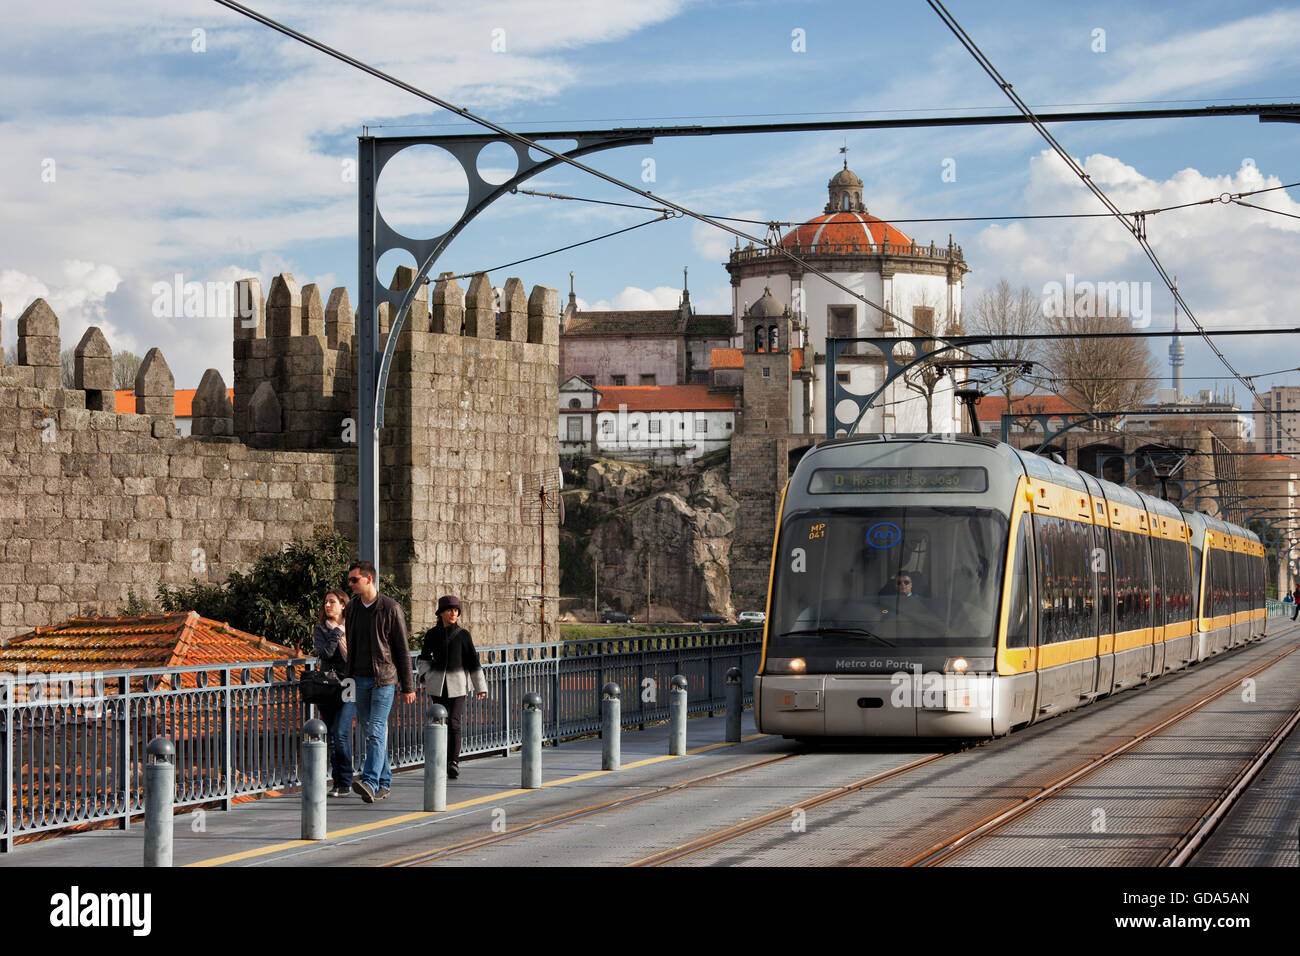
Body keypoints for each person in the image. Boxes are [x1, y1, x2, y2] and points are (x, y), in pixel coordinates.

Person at [344, 560, 415, 804]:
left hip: (383, 680)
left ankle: (370, 781)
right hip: (359, 679)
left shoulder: (390, 608)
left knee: (375, 730)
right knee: (372, 731)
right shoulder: (352, 608)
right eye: (350, 579)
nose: (350, 584)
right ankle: (384, 781)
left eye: (354, 580)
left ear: (369, 579)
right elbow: (351, 646)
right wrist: (348, 678)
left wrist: (408, 686)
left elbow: (402, 650)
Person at [417, 595, 488, 780]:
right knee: (440, 723)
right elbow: (424, 658)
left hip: (458, 685)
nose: (453, 613)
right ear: (441, 613)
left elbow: (473, 661)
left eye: (456, 610)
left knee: (454, 723)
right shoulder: (432, 634)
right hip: (437, 685)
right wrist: (425, 677)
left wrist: (481, 687)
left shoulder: (463, 635)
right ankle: (439, 759)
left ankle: (453, 762)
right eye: (450, 610)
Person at [313, 588, 354, 798]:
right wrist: (336, 632)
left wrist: (341, 631)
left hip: (349, 684)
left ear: (343, 605)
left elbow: (353, 658)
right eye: (326, 602)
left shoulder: (354, 628)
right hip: (328, 686)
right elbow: (325, 653)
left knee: (340, 732)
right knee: (331, 734)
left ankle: (346, 779)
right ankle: (337, 782)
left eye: (332, 602)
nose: (327, 605)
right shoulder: (320, 630)